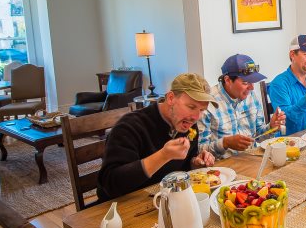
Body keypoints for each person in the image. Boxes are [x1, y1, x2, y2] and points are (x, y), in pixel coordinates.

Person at [97, 73, 217, 202]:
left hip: (164, 200)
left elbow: (183, 167)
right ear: (170, 98)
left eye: (202, 110)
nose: (196, 117)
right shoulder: (130, 126)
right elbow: (110, 184)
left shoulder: (189, 125)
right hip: (122, 205)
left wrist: (194, 163)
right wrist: (163, 155)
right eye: (191, 107)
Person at [198, 54, 286, 158]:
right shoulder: (208, 103)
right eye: (245, 82)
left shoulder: (251, 96)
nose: (252, 88)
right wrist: (225, 143)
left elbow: (257, 136)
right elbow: (200, 150)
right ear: (227, 80)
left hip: (251, 159)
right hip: (223, 165)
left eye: (253, 82)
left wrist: (271, 127)